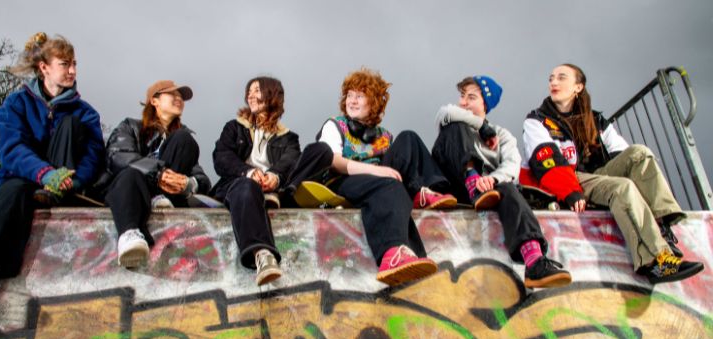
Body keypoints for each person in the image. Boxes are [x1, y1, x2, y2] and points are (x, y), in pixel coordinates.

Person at [0, 33, 105, 305]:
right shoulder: (16, 105)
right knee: (10, 192)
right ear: (44, 68)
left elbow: (93, 155)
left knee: (71, 125)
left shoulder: (85, 112)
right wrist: (43, 173)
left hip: (65, 184)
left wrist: (74, 181)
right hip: (26, 181)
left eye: (75, 64)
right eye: (65, 64)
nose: (73, 70)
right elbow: (11, 149)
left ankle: (54, 191)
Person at [521, 63, 704, 284]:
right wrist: (570, 191)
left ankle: (662, 224)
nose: (554, 82)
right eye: (551, 78)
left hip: (598, 175)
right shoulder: (537, 120)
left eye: (561, 77)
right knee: (622, 187)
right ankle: (655, 262)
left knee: (640, 153)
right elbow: (545, 160)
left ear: (578, 87)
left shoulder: (595, 120)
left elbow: (621, 153)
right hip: (566, 179)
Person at [304, 67, 455, 286]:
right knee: (390, 187)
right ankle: (391, 254)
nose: (352, 101)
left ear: (373, 102)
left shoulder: (383, 137)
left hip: (376, 183)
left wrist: (387, 173)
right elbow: (333, 162)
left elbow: (397, 166)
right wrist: (376, 170)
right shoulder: (335, 125)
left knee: (408, 138)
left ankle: (422, 192)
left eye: (360, 96)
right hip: (342, 180)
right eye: (350, 95)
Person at [433, 76, 571, 288]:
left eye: (471, 98)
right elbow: (444, 112)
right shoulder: (454, 121)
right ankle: (472, 181)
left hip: (489, 190)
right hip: (456, 184)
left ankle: (534, 261)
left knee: (509, 188)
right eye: (462, 97)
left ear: (484, 105)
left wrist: (492, 178)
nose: (463, 103)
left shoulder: (502, 135)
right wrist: (481, 127)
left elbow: (512, 165)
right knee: (455, 126)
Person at [103, 80, 211, 268]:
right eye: (173, 95)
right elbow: (118, 156)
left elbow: (202, 179)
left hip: (170, 197)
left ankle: (162, 196)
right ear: (154, 101)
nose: (179, 99)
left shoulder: (181, 138)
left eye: (181, 97)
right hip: (132, 190)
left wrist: (187, 183)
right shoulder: (130, 126)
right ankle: (129, 234)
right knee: (131, 175)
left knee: (184, 139)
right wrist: (158, 173)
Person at [211, 77, 301, 285]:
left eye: (256, 90)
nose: (250, 95)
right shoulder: (234, 128)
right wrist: (248, 172)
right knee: (246, 186)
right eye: (248, 91)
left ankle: (269, 195)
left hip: (274, 189)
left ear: (271, 95)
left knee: (297, 172)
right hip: (238, 185)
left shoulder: (289, 138)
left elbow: (292, 161)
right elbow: (221, 157)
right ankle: (263, 255)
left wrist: (274, 176)